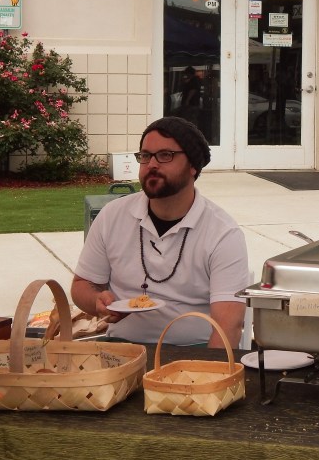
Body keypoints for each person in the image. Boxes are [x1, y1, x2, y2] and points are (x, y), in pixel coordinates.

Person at [71, 116, 249, 348]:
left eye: (165, 155)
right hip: (122, 349)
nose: (151, 164)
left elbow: (228, 327)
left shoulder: (222, 233)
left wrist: (207, 373)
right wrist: (97, 301)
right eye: (145, 156)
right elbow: (82, 285)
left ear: (193, 166)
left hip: (193, 353)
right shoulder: (112, 216)